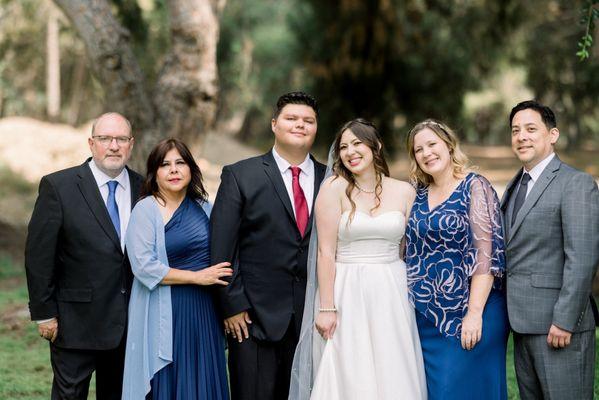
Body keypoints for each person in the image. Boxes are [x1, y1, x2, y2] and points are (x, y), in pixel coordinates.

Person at [290, 118, 427, 400]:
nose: (350, 151)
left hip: (392, 289)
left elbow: (405, 247)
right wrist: (327, 308)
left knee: (394, 362)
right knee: (350, 365)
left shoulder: (405, 192)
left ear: (375, 146)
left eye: (357, 143)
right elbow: (325, 252)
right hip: (346, 289)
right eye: (343, 147)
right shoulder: (333, 189)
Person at [210, 91, 326, 400]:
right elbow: (222, 248)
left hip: (311, 320)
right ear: (274, 124)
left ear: (316, 128)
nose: (300, 125)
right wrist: (232, 306)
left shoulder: (331, 180)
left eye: (308, 120)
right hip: (252, 319)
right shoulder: (240, 175)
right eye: (291, 118)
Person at [25, 112, 142, 400]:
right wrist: (44, 313)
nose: (113, 146)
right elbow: (39, 255)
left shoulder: (146, 188)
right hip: (74, 322)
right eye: (105, 138)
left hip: (130, 324)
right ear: (91, 143)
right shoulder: (59, 187)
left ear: (131, 144)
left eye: (121, 139)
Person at [501, 100, 599, 400]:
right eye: (516, 130)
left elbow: (582, 258)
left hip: (559, 327)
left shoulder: (576, 183)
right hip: (522, 323)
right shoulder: (516, 185)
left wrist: (565, 320)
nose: (522, 136)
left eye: (531, 129)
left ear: (552, 134)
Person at [405, 119, 508, 400]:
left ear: (449, 145)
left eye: (432, 144)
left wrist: (474, 314)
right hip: (425, 316)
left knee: (457, 391)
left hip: (471, 310)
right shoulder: (416, 194)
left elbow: (486, 256)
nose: (426, 153)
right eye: (418, 150)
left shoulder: (475, 187)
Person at [122, 138, 231, 400]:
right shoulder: (146, 210)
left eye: (180, 163)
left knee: (203, 379)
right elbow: (144, 266)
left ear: (191, 169)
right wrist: (197, 277)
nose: (173, 170)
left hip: (204, 311)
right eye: (165, 164)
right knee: (169, 382)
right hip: (165, 311)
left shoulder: (206, 207)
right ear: (154, 173)